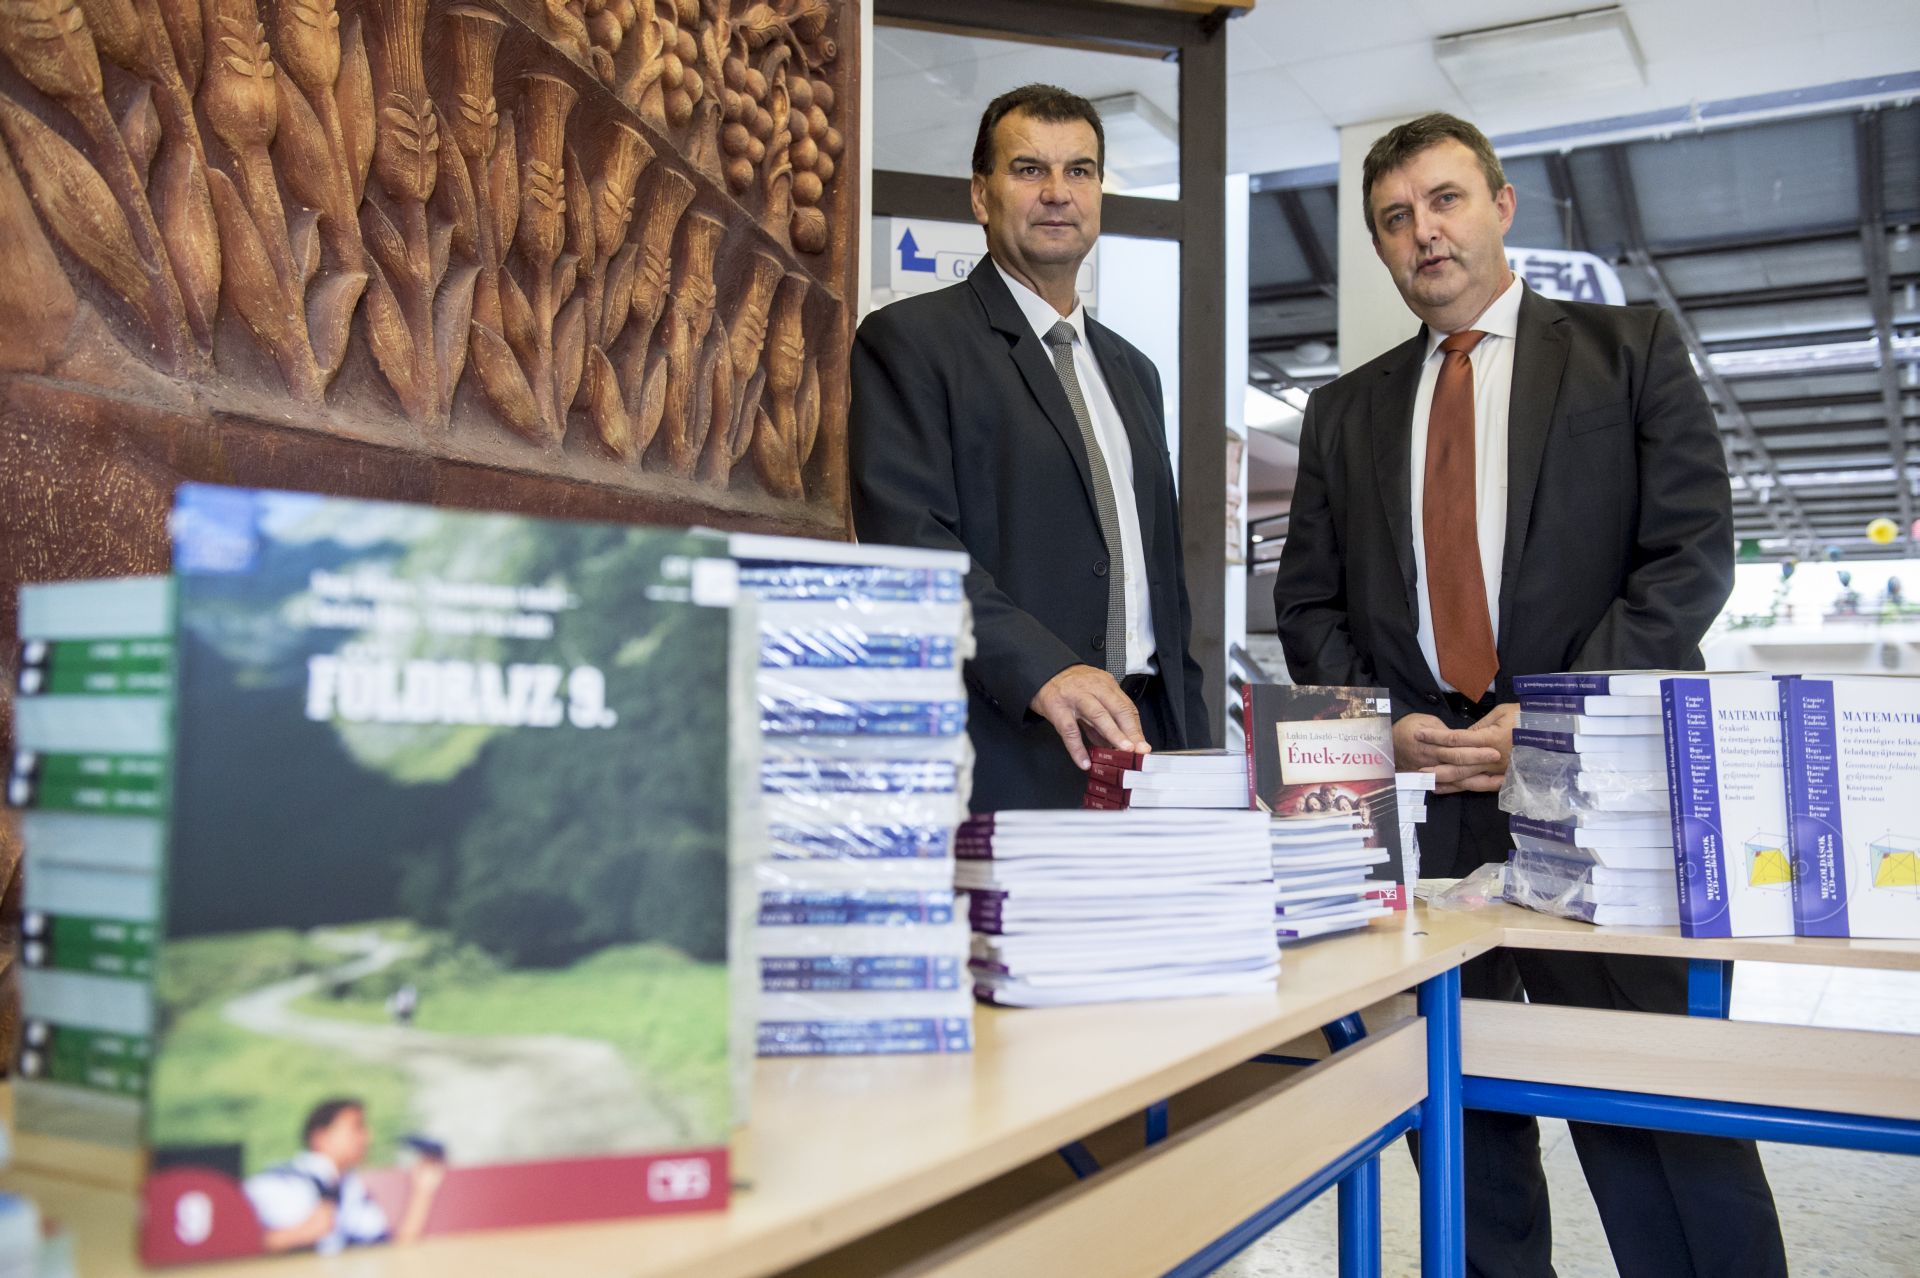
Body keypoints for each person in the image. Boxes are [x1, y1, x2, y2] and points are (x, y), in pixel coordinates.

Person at [1272, 113, 1787, 1278]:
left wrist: (1553, 721)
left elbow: (1689, 557)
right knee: (1459, 1122)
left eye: (1445, 200)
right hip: (1426, 806)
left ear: (1503, 207)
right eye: (1395, 218)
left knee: (1655, 1104)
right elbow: (1308, 602)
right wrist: (1381, 724)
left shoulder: (1627, 349)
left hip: (1602, 800)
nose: (1424, 232)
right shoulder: (1345, 410)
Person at [850, 84, 1210, 812]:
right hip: (1007, 744)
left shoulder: (1135, 372)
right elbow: (912, 547)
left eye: (1079, 171)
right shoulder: (911, 342)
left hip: (1150, 749)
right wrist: (1045, 670)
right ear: (980, 196)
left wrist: (1195, 751)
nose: (1057, 193)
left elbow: (1162, 591)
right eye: (1028, 170)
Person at [244, 1098, 445, 1254]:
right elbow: (238, 1246)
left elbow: (390, 1250)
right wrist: (296, 1235)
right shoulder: (275, 1184)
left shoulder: (350, 1187)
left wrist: (422, 1191)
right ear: (320, 1137)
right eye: (357, 1127)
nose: (368, 1137)